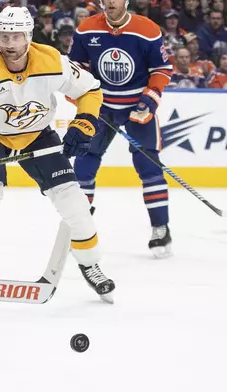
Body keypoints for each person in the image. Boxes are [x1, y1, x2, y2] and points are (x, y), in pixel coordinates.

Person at [0, 6, 115, 303]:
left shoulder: (52, 60)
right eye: (4, 36)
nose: (9, 44)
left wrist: (84, 122)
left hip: (37, 135)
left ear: (29, 36)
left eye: (16, 36)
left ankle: (90, 263)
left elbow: (91, 90)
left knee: (73, 200)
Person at [68, 0, 174, 258]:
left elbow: (161, 69)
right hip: (101, 107)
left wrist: (149, 100)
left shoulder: (147, 29)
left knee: (149, 166)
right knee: (84, 161)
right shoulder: (87, 29)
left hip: (137, 107)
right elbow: (74, 68)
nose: (110, 3)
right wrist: (83, 97)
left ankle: (161, 227)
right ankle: (81, 228)